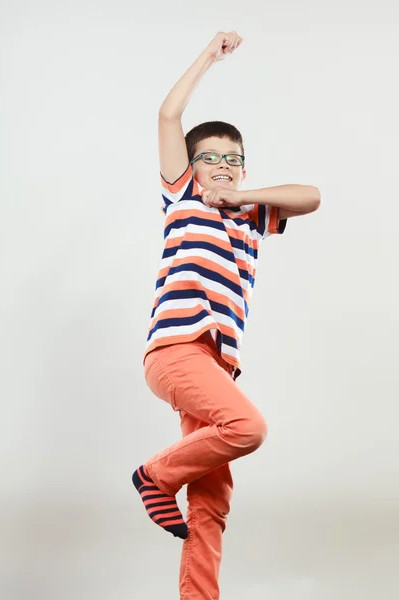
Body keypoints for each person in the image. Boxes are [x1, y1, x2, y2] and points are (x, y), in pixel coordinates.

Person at [132, 31, 321, 599]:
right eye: (209, 158)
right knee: (247, 428)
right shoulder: (182, 196)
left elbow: (310, 195)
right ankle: (154, 477)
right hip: (177, 352)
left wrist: (242, 195)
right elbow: (169, 114)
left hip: (219, 366)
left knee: (211, 503)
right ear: (190, 167)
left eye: (232, 160)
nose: (221, 165)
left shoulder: (251, 214)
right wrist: (209, 57)